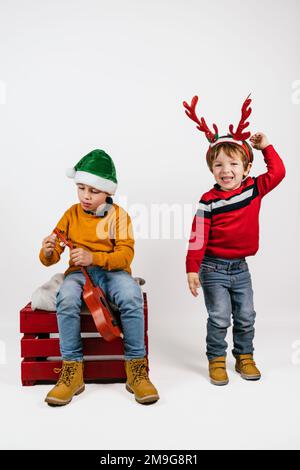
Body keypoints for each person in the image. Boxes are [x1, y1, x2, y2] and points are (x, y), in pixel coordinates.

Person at [39, 149, 159, 405]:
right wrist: (48, 251)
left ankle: (136, 369)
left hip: (113, 272)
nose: (85, 196)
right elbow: (54, 252)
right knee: (67, 297)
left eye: (93, 191)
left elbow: (126, 255)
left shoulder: (118, 216)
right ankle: (72, 371)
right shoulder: (71, 214)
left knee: (131, 295)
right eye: (81, 188)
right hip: (79, 275)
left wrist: (94, 257)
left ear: (108, 192)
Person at [183, 95, 286, 385]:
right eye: (218, 165)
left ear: (246, 168)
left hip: (240, 269)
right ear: (211, 170)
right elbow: (197, 236)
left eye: (233, 164)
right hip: (213, 268)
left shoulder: (254, 188)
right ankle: (216, 359)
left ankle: (244, 356)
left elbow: (278, 172)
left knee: (246, 315)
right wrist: (192, 268)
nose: (225, 170)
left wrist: (266, 147)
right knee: (219, 317)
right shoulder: (208, 200)